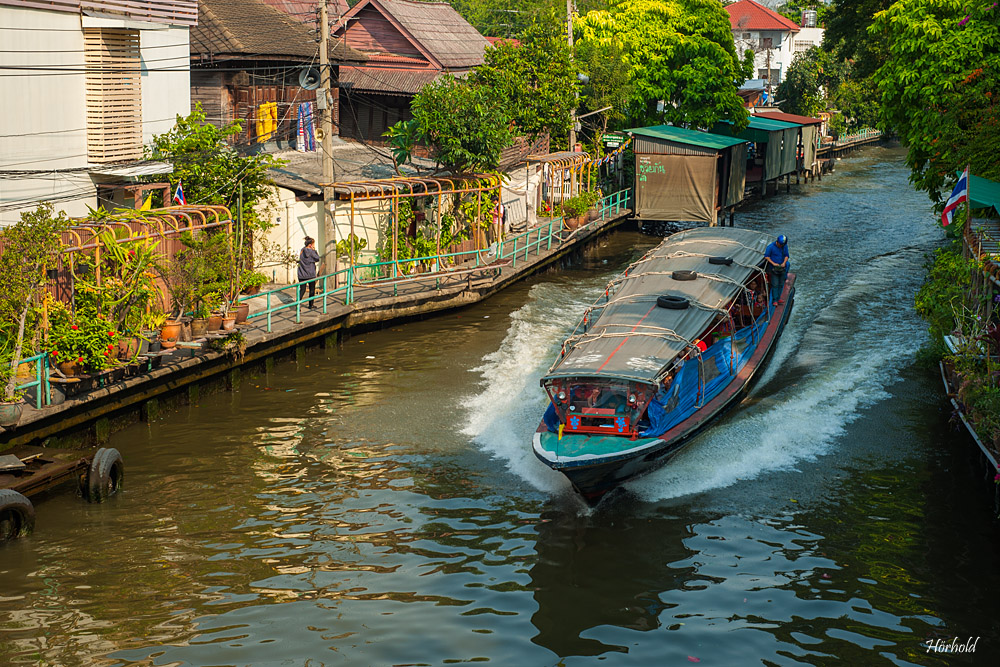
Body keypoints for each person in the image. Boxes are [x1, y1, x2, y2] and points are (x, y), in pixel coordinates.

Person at [764, 234, 790, 304]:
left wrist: (784, 262)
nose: (781, 246)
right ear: (777, 242)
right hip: (774, 268)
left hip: (782, 267)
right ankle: (775, 300)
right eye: (780, 245)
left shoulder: (784, 247)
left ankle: (778, 298)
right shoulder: (770, 247)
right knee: (775, 284)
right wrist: (773, 263)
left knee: (781, 284)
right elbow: (766, 256)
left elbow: (786, 255)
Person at [297, 236, 321, 310]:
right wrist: (314, 250)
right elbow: (317, 258)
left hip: (301, 274)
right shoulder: (312, 252)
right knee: (312, 290)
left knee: (302, 290)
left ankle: (298, 305)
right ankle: (311, 305)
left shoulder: (302, 250)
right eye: (313, 244)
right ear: (310, 245)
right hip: (310, 274)